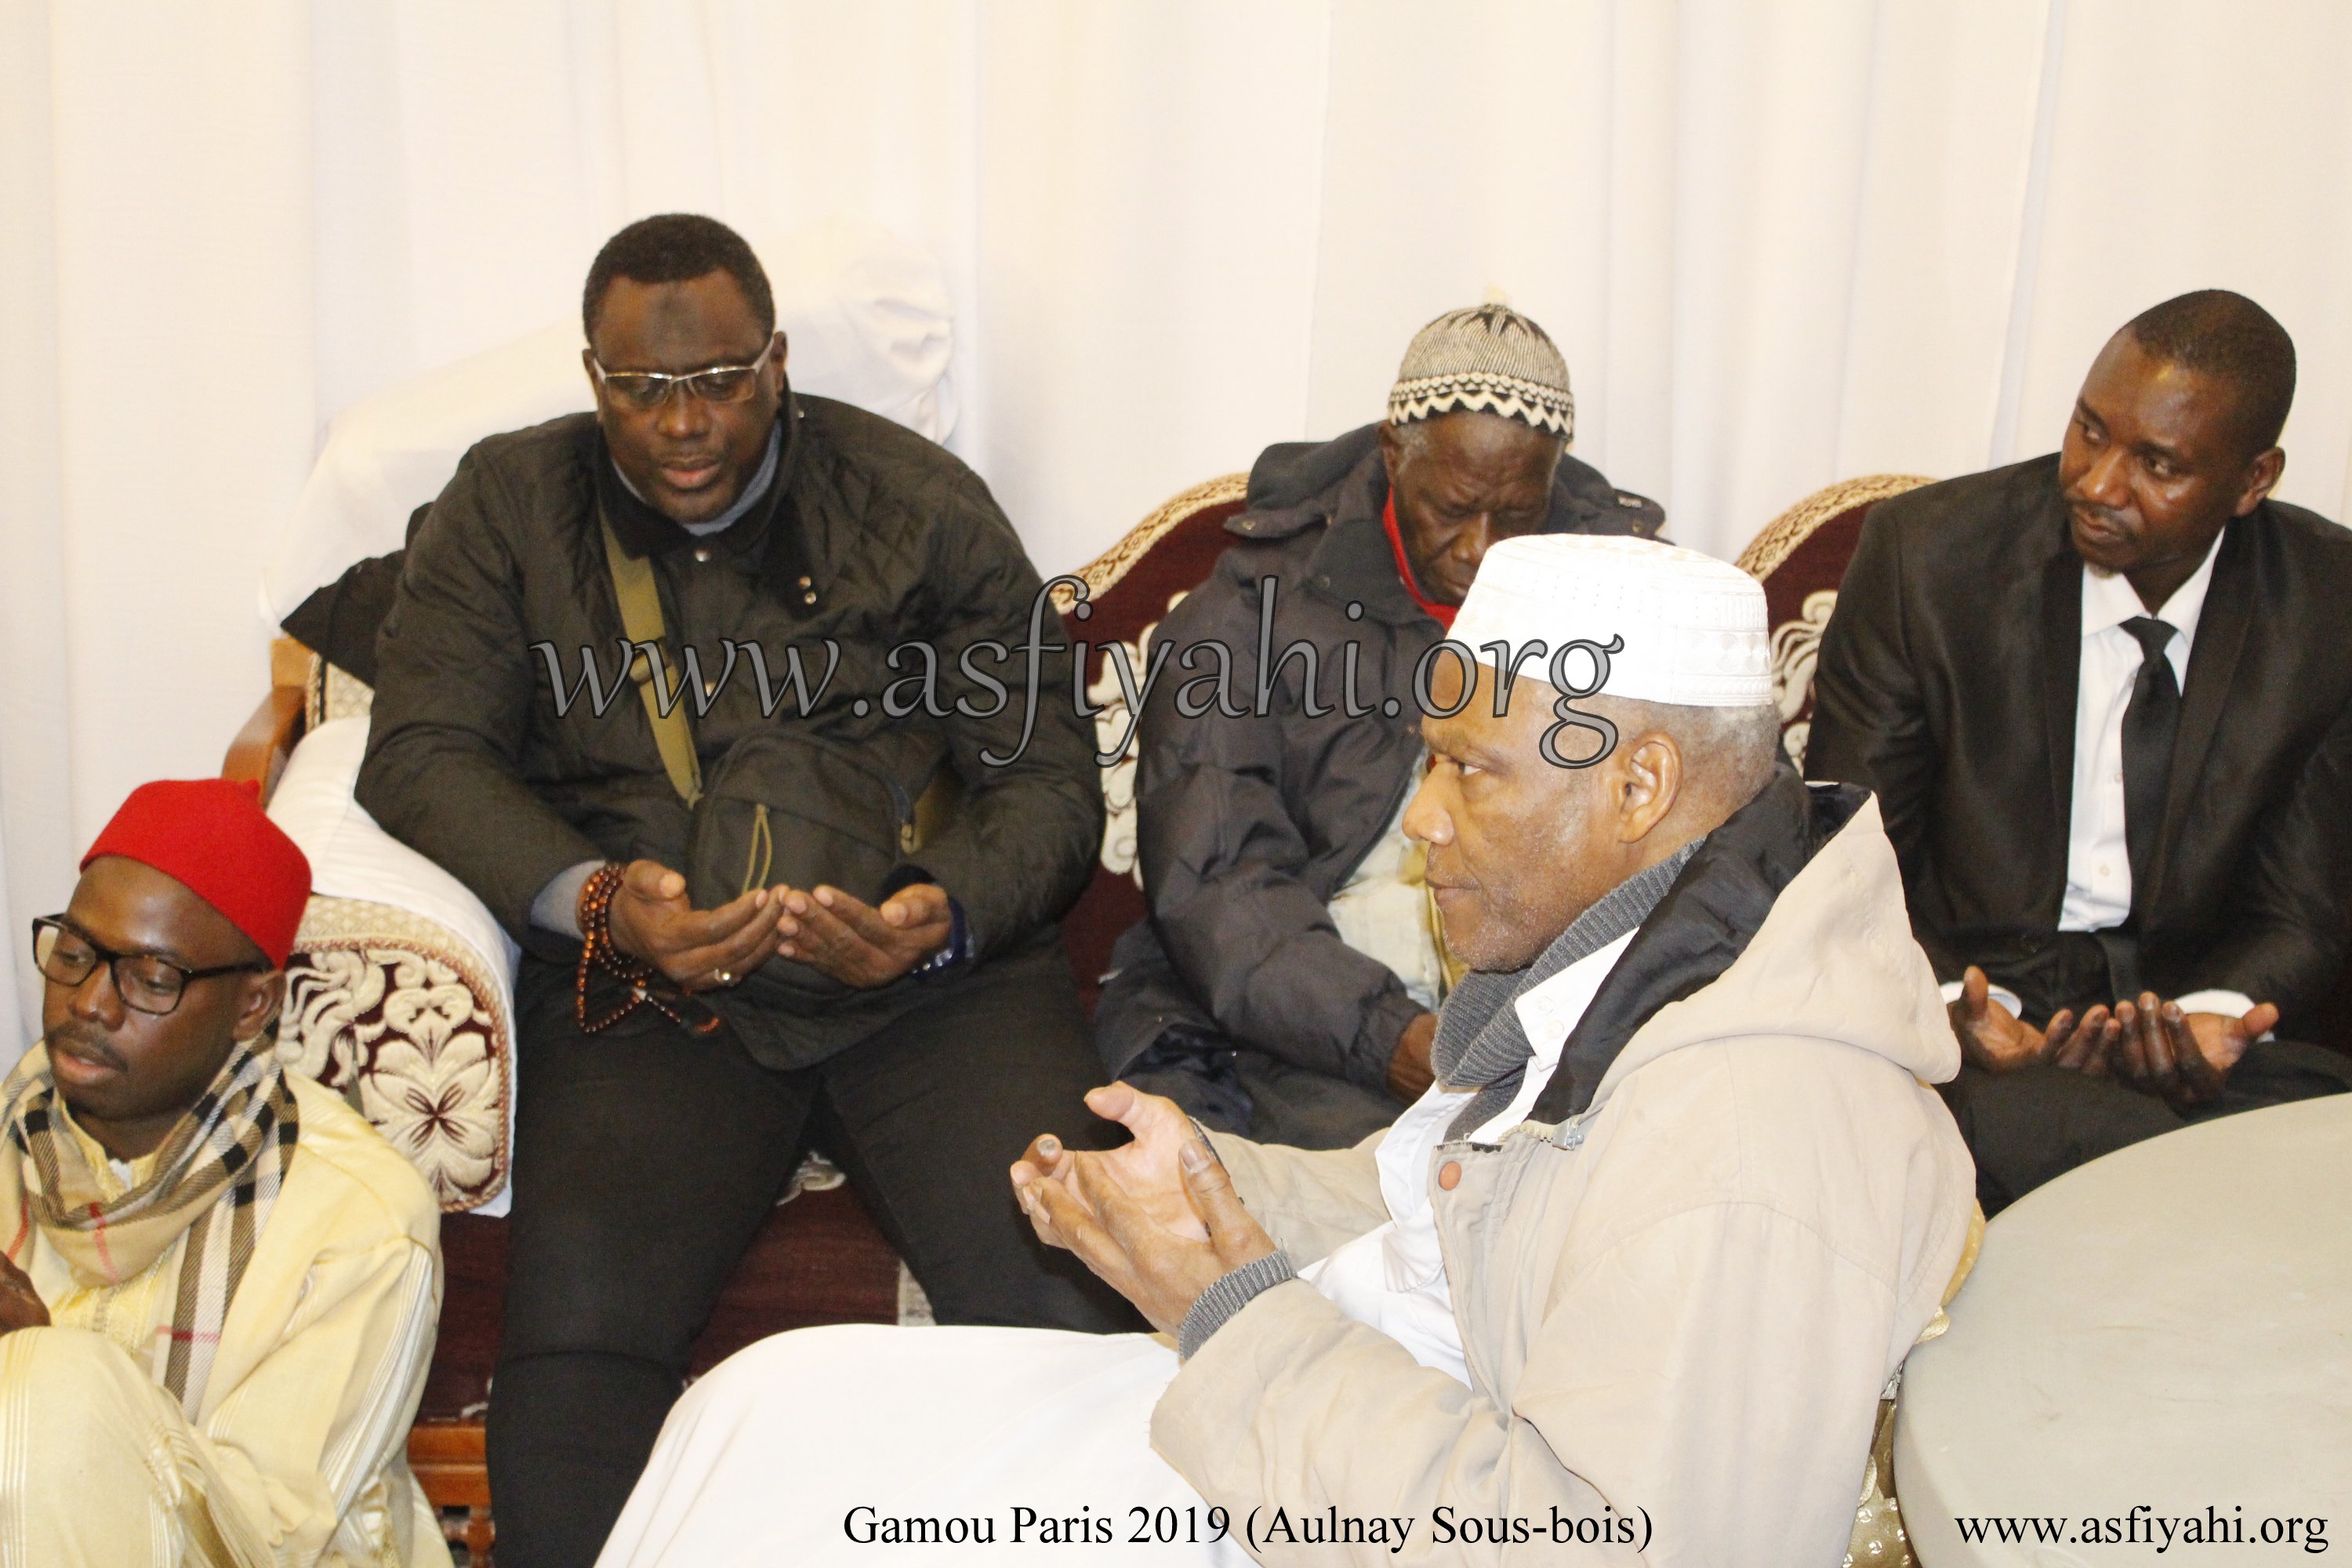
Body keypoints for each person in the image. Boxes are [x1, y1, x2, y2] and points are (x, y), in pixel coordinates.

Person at [594, 535, 1979, 1568]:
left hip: (1341, 1488)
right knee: (768, 1407)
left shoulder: (1749, 1139)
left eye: (1469, 769)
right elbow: (1442, 1213)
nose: (1422, 821)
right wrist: (1214, 1197)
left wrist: (1223, 1304)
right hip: (1332, 1409)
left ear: (1640, 785)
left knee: (814, 1516)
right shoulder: (1641, 960)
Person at [355, 212, 1130, 1566]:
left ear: (776, 359)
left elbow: (1049, 780)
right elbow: (419, 751)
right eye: (643, 389)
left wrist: (938, 918)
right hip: (662, 984)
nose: (684, 424)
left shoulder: (917, 500)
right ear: (591, 377)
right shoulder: (510, 506)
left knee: (1076, 1315)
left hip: (924, 981)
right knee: (579, 1360)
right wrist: (601, 904)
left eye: (718, 377)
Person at [1807, 289, 2352, 1212]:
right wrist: (1951, 1004)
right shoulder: (1926, 564)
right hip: (1980, 1007)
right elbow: (1852, 849)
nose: (2097, 482)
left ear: (2254, 480)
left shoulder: (2328, 605)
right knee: (2075, 1150)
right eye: (2089, 430)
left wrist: (2215, 1019)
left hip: (2194, 1014)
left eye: (2158, 464)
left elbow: (2304, 908)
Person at [1097, 303, 1664, 1149]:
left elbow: (1679, 846)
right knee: (1378, 1216)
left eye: (1516, 514)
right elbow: (1218, 877)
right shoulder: (1250, 610)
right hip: (1302, 1022)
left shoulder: (1628, 597)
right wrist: (1388, 1037)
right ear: (1396, 455)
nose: (1483, 548)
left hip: (1554, 1021)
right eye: (1455, 508)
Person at [0, 779, 445, 1566]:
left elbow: (275, 1535)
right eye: (73, 954)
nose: (91, 1002)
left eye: (150, 978)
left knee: (52, 1385)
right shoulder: (12, 1132)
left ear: (252, 1006)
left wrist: (38, 1375)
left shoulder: (362, 1217)